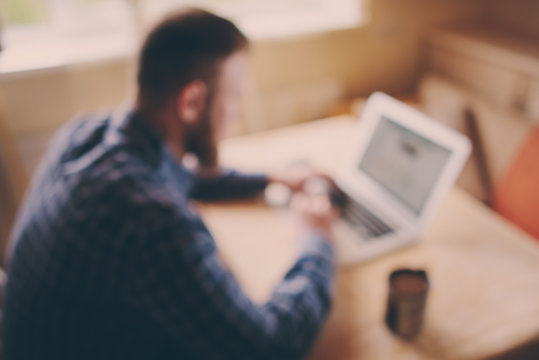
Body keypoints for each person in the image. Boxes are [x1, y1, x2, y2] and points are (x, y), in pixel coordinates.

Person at [3, 8, 337, 360]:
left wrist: (272, 177)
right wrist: (316, 240)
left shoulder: (86, 134)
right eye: (234, 96)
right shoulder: (151, 219)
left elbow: (178, 176)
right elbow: (270, 347)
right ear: (192, 101)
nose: (237, 112)